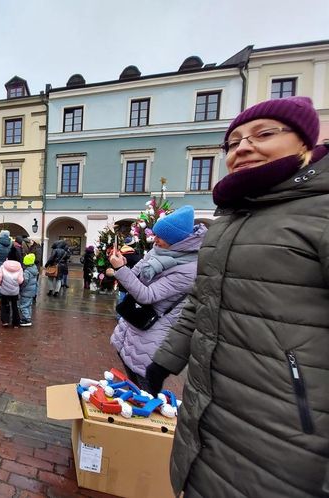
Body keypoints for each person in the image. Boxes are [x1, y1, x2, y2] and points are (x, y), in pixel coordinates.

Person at [146, 97, 329, 497]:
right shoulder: (231, 219)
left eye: (263, 134)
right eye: (232, 143)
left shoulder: (320, 210)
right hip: (210, 408)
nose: (243, 147)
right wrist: (165, 360)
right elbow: (203, 299)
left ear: (305, 143)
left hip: (293, 431)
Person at [109, 205, 205, 389]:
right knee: (129, 387)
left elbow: (146, 295)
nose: (155, 240)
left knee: (144, 393)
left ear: (176, 241)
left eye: (161, 237)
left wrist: (121, 270)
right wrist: (123, 265)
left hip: (152, 336)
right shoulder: (158, 250)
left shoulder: (189, 270)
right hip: (134, 328)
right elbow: (135, 276)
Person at [0, 253, 23, 327]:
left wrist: (0, 284)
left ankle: (5, 321)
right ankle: (16, 323)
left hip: (4, 290)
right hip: (15, 291)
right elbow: (20, 280)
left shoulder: (3, 266)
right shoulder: (19, 268)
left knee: (4, 305)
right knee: (15, 306)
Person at [18, 253, 38, 327]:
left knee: (23, 306)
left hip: (26, 292)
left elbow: (25, 281)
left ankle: (26, 320)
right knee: (28, 305)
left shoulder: (27, 272)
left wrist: (21, 287)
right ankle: (28, 317)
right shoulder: (34, 269)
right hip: (32, 291)